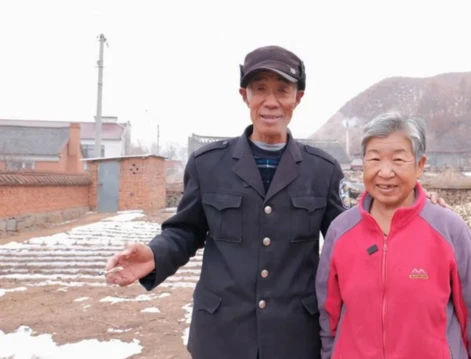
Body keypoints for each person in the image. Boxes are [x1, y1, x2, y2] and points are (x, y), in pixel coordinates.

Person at [104, 46, 447, 359]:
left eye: (282, 90)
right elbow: (186, 231)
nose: (271, 101)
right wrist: (154, 254)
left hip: (295, 337)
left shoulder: (321, 170)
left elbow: (353, 234)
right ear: (245, 95)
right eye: (260, 89)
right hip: (222, 335)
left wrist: (410, 205)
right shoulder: (208, 165)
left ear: (297, 98)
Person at [316, 112, 471, 359]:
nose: (384, 172)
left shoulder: (449, 229)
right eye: (374, 159)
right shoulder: (340, 230)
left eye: (398, 160)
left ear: (420, 165)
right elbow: (329, 314)